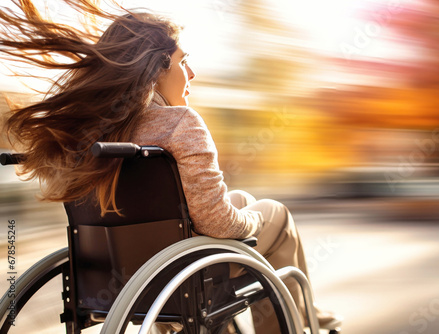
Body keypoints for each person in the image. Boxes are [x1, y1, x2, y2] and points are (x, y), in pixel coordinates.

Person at [0, 1, 341, 333]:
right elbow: (216, 222)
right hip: (183, 270)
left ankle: (301, 311)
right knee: (274, 214)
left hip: (117, 272)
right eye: (183, 61)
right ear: (157, 68)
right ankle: (299, 316)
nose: (192, 73)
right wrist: (254, 221)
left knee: (241, 196)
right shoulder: (179, 123)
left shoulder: (82, 133)